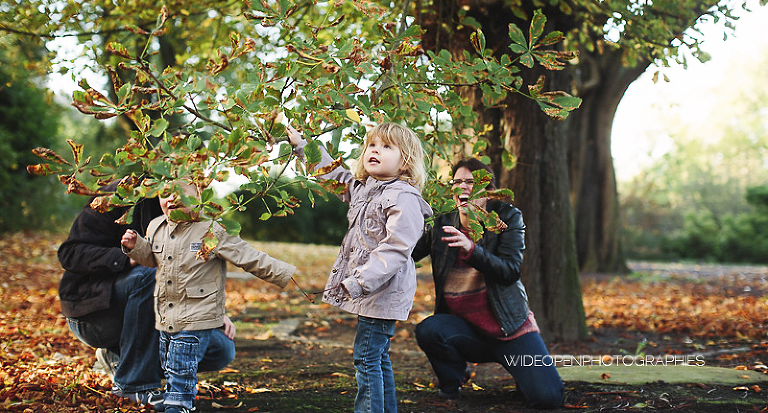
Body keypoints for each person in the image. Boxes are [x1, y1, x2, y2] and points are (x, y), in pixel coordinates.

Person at [287, 122, 433, 413]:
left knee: (366, 358)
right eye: (372, 145)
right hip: (371, 292)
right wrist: (302, 145)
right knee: (376, 358)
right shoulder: (364, 189)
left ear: (405, 161)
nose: (375, 151)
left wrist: (358, 281)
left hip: (381, 292)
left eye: (386, 147)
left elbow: (396, 250)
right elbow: (333, 175)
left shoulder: (404, 198)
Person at [58, 181, 238, 410]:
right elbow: (70, 253)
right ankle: (133, 387)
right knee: (149, 276)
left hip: (147, 317)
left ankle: (121, 358)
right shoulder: (117, 195)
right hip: (94, 314)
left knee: (221, 348)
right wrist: (127, 259)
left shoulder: (192, 214)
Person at [120, 180, 297, 413]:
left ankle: (180, 402)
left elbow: (248, 256)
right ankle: (174, 393)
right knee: (169, 356)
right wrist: (136, 247)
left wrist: (285, 274)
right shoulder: (156, 227)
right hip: (167, 309)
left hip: (199, 311)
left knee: (183, 355)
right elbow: (153, 259)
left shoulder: (210, 230)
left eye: (180, 193)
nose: (171, 199)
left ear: (199, 194)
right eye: (164, 194)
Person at [411, 158, 564, 409]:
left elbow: (510, 271)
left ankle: (519, 368)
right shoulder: (442, 223)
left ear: (489, 190)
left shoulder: (507, 218)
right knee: (429, 330)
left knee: (548, 398)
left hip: (509, 330)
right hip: (466, 331)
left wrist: (472, 249)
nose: (463, 187)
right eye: (457, 182)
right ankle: (453, 382)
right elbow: (410, 254)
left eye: (471, 182)